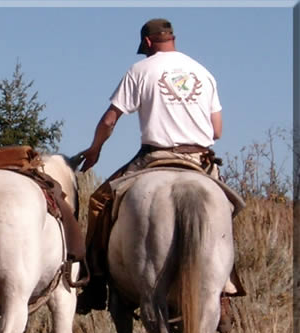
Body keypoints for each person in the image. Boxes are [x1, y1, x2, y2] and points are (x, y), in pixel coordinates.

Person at [77, 18, 244, 315]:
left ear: (148, 43)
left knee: (98, 202)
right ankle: (224, 289)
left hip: (155, 157)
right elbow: (217, 130)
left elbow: (110, 119)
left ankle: (95, 282)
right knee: (226, 213)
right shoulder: (204, 73)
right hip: (200, 161)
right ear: (173, 38)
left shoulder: (140, 70)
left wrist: (95, 149)